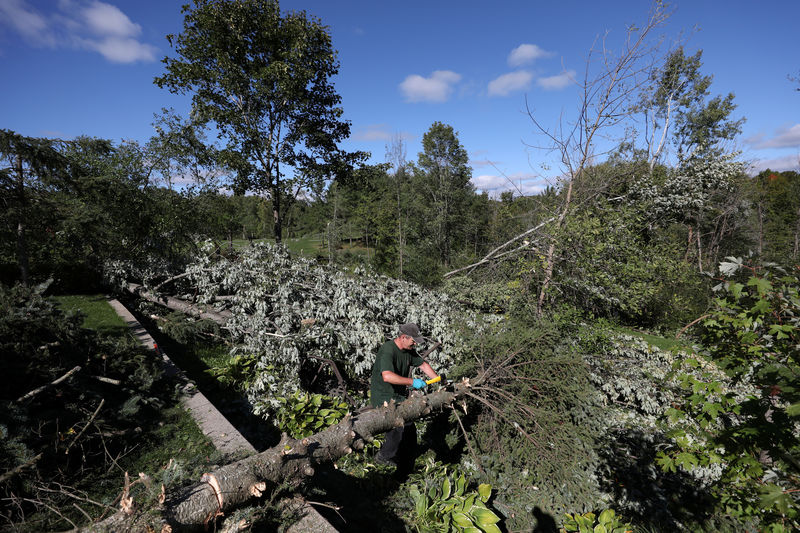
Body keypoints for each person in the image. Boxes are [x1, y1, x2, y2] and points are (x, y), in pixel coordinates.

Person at [369, 322, 440, 475]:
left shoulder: (409, 350)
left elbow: (423, 365)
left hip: (398, 396)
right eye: (413, 341)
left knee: (409, 434)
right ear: (403, 337)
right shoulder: (388, 350)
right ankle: (383, 457)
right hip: (383, 396)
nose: (415, 344)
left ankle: (404, 470)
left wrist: (439, 380)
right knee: (399, 429)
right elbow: (387, 376)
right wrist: (412, 382)